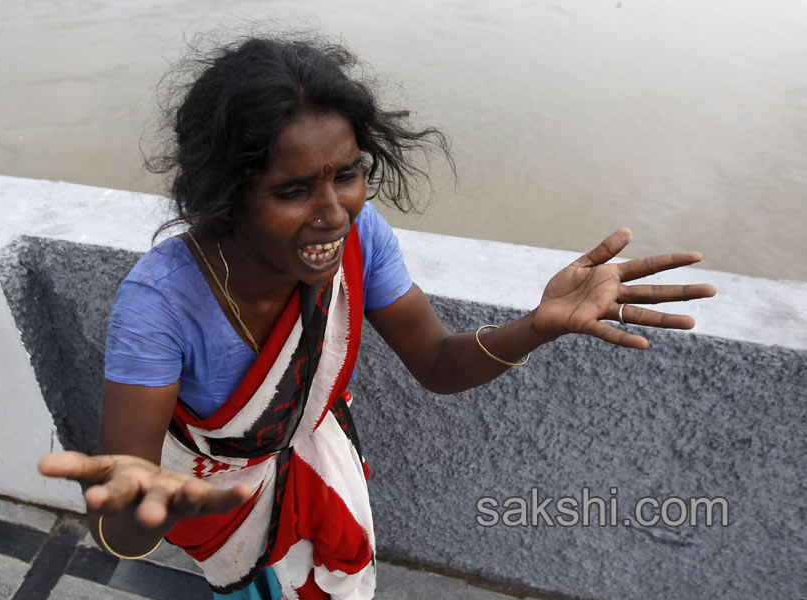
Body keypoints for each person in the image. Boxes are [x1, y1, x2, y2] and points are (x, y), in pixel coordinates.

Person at [38, 35, 716, 599]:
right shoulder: (159, 305)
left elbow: (438, 363)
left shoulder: (362, 240)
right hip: (215, 499)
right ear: (225, 193)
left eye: (347, 176)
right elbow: (123, 524)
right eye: (292, 190)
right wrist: (136, 509)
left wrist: (539, 324)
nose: (333, 212)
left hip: (312, 466)